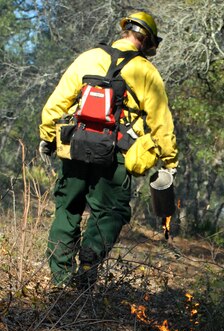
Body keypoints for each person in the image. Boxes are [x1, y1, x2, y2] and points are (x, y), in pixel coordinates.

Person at [39, 11, 178, 288]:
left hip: (76, 146)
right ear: (148, 41)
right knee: (111, 212)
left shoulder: (88, 57)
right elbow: (160, 120)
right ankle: (87, 269)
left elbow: (57, 103)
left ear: (125, 31)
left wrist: (48, 135)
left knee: (68, 208)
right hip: (115, 154)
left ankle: (60, 279)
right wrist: (169, 159)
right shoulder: (146, 71)